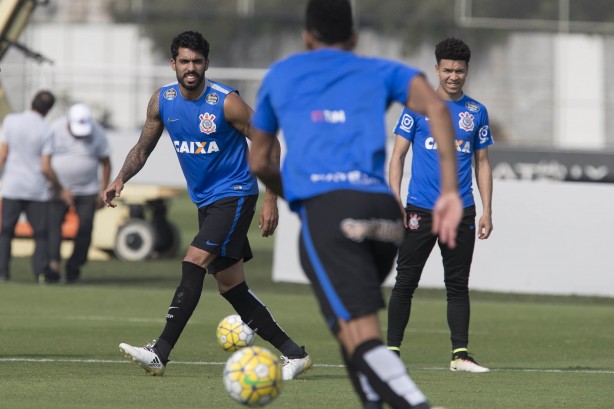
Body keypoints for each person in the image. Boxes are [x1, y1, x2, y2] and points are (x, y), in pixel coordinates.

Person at [248, 1, 462, 408]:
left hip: (330, 218)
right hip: (383, 218)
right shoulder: (379, 70)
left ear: (307, 36)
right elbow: (435, 107)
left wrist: (292, 192)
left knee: (361, 340)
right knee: (355, 338)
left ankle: (415, 403)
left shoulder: (282, 74)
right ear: (354, 37)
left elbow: (258, 159)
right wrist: (450, 190)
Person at [103, 30, 311, 380]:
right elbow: (142, 148)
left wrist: (270, 198)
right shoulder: (162, 100)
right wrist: (121, 178)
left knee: (193, 260)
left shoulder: (225, 102)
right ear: (173, 64)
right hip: (207, 201)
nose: (191, 67)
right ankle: (294, 353)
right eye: (184, 61)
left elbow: (269, 142)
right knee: (231, 286)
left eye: (197, 61)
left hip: (236, 194)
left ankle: (160, 351)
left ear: (206, 64)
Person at [386, 37, 494, 373]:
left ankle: (460, 355)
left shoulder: (476, 112)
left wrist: (487, 209)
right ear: (436, 69)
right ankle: (390, 353)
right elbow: (398, 156)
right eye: (447, 69)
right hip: (419, 209)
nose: (453, 76)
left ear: (466, 71)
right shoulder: (417, 107)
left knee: (458, 285)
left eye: (459, 70)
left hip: (462, 210)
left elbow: (483, 163)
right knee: (406, 282)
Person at [0, 90, 72, 283]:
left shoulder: (11, 121)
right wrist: (60, 188)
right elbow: (45, 167)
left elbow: (2, 155)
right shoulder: (46, 130)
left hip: (11, 186)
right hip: (36, 190)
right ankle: (40, 272)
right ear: (48, 110)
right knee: (40, 234)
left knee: (6, 231)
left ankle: (3, 273)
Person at [47, 103, 111, 284]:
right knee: (53, 228)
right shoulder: (55, 130)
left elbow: (105, 162)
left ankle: (74, 267)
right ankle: (54, 266)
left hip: (88, 190)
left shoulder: (96, 131)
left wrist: (103, 190)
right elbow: (45, 161)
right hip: (58, 189)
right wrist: (60, 189)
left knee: (85, 229)